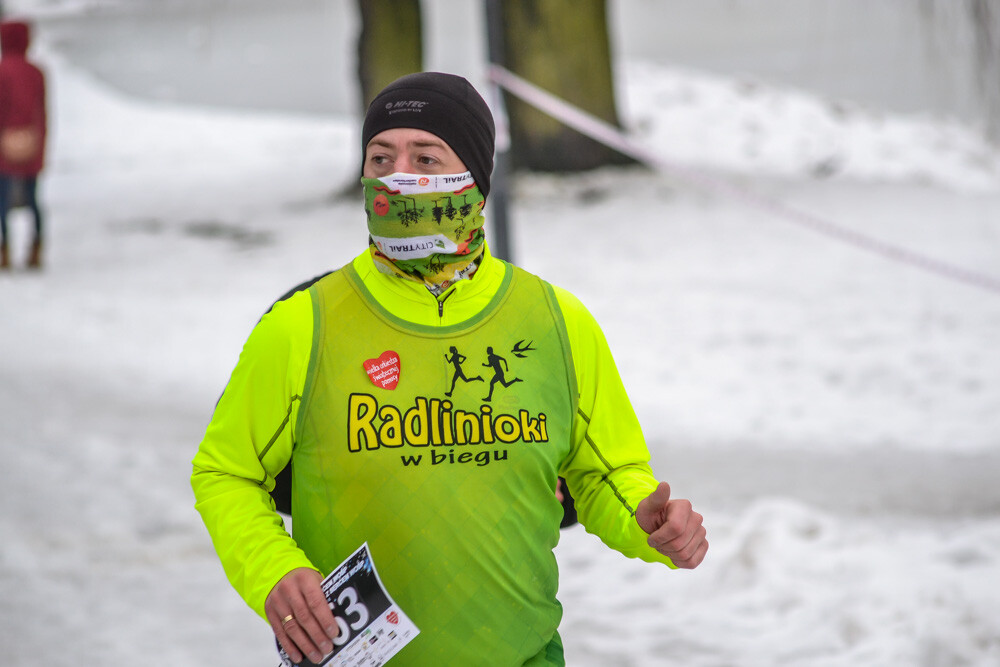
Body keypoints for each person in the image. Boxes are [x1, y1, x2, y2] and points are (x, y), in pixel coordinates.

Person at [191, 72, 707, 666]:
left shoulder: (556, 321)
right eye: (380, 157)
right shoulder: (302, 324)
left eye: (425, 157)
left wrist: (647, 522)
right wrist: (273, 570)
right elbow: (225, 473)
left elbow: (607, 474)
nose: (396, 176)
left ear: (477, 182)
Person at [0, 19, 46, 270]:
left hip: (4, 144)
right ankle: (36, 247)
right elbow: (43, 113)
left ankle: (5, 249)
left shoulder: (2, 71)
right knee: (33, 199)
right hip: (32, 143)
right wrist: (42, 149)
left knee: (3, 201)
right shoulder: (36, 73)